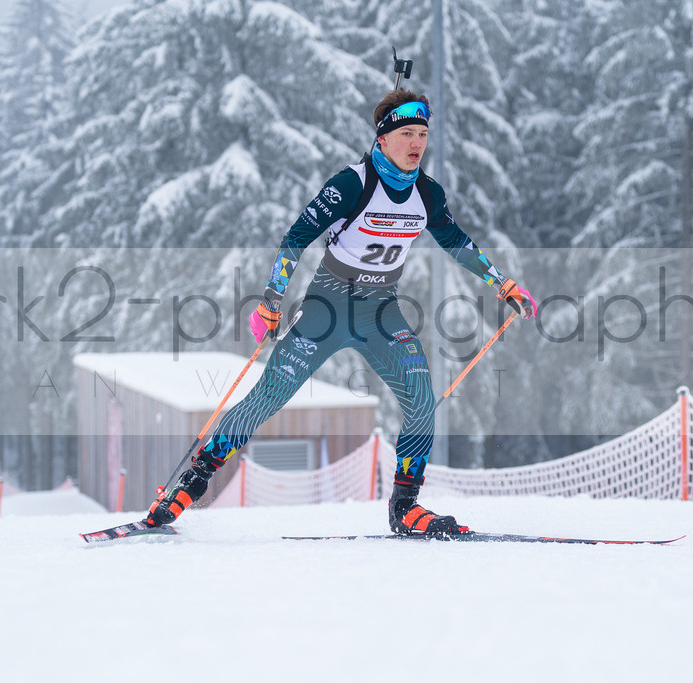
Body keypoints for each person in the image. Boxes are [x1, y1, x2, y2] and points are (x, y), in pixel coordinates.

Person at [145, 89, 536, 535]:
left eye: (423, 134)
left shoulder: (427, 193)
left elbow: (456, 242)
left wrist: (503, 284)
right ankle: (187, 487)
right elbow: (296, 237)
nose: (417, 143)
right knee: (267, 399)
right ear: (382, 138)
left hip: (380, 312)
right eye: (407, 133)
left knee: (421, 399)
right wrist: (272, 300)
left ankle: (405, 508)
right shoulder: (351, 184)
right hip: (327, 309)